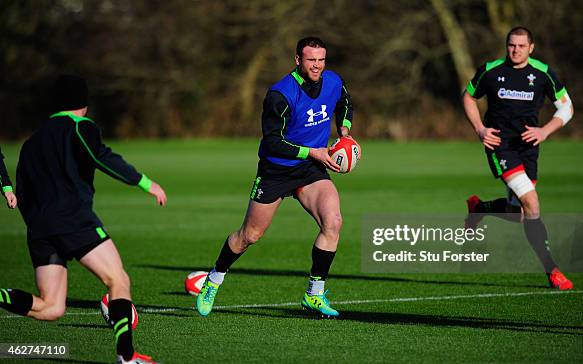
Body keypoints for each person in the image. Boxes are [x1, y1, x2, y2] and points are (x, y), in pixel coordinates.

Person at [0, 75, 167, 364]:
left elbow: (23, 192)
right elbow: (101, 157)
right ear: (84, 104)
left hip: (39, 229)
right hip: (74, 221)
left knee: (51, 308)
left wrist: (41, 226)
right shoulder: (81, 127)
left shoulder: (31, 142)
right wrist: (145, 183)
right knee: (118, 280)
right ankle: (127, 356)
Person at [196, 36, 353, 318]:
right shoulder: (280, 94)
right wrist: (313, 152)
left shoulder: (333, 81)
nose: (317, 66)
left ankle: (314, 295)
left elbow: (344, 101)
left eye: (321, 60)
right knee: (249, 236)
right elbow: (272, 142)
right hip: (277, 170)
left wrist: (344, 129)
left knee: (334, 222)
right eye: (311, 60)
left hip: (309, 170)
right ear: (297, 60)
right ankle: (214, 278)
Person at [463, 26, 574, 290]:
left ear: (531, 47)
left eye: (521, 46)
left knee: (522, 215)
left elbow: (567, 106)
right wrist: (480, 129)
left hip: (529, 148)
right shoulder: (491, 71)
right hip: (500, 146)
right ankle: (553, 271)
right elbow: (468, 97)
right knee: (532, 204)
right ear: (506, 45)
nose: (515, 50)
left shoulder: (543, 73)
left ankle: (480, 209)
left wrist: (545, 131)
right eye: (511, 45)